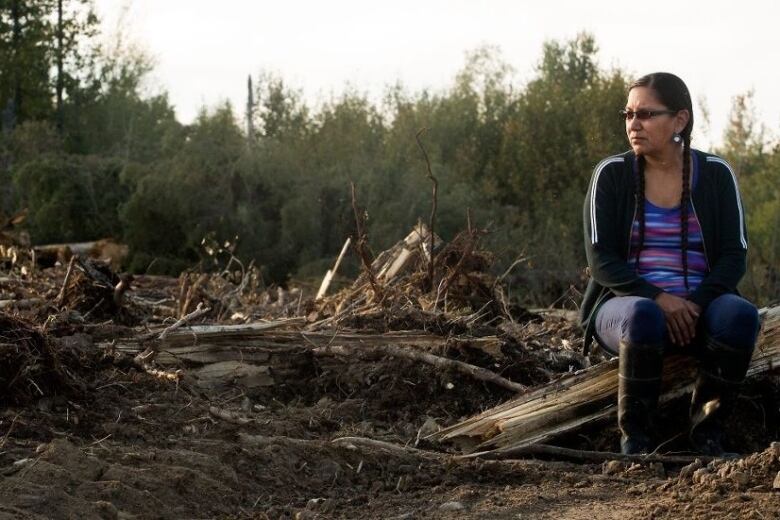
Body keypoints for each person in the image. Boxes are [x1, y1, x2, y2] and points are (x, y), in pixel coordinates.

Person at [579, 72, 761, 456]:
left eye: (645, 114)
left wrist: (694, 304)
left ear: (680, 120)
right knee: (644, 314)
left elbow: (735, 254)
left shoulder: (715, 174)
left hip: (700, 305)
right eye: (628, 114)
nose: (633, 124)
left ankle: (707, 435)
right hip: (628, 309)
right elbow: (601, 262)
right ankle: (636, 442)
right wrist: (661, 299)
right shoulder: (611, 174)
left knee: (741, 316)